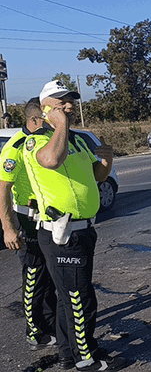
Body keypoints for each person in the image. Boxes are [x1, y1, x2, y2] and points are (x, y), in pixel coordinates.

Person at [22, 80, 125, 371]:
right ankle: (85, 360)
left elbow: (98, 177)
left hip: (83, 230)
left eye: (71, 101)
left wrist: (106, 160)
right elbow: (52, 160)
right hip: (61, 232)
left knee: (72, 297)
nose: (69, 106)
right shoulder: (38, 139)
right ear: (45, 107)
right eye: (61, 101)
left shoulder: (78, 139)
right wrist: (59, 125)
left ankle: (70, 355)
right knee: (79, 300)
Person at [0, 97, 58, 351]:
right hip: (27, 218)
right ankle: (34, 331)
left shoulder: (44, 141)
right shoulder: (15, 148)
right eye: (47, 115)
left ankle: (51, 323)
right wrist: (8, 227)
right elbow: (2, 190)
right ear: (35, 119)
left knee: (48, 276)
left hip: (46, 217)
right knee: (33, 276)